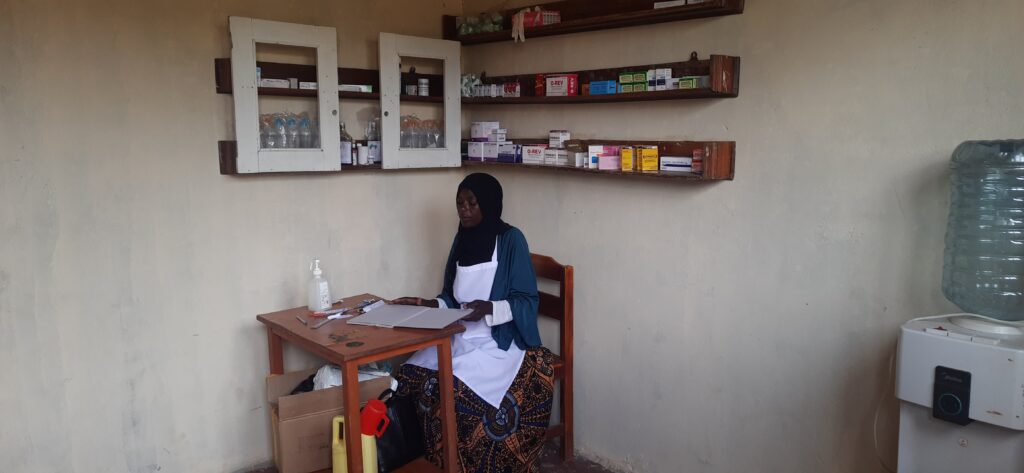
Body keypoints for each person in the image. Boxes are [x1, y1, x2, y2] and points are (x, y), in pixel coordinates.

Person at [390, 173, 555, 473]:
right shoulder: (461, 240)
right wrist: (429, 304)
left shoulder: (511, 241)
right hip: (460, 336)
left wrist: (489, 308)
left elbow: (527, 301)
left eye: (471, 203)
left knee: (450, 389)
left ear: (489, 205)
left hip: (499, 342)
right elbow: (451, 299)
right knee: (409, 376)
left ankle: (465, 464)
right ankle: (433, 460)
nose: (464, 210)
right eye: (459, 203)